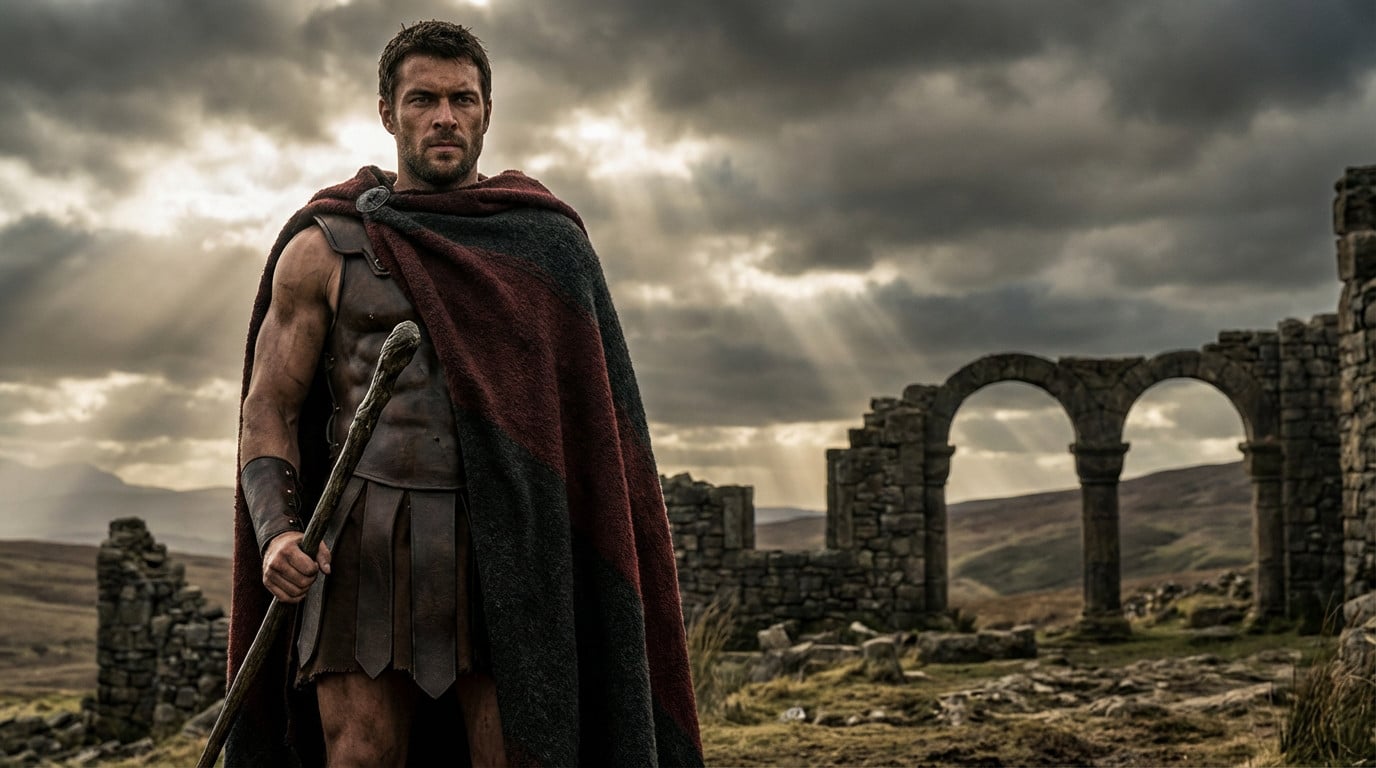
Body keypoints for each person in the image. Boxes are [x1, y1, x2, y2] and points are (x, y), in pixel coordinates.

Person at [226, 21, 703, 767]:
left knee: (520, 750)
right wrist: (278, 533)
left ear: (486, 111)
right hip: (360, 543)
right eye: (423, 99)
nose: (444, 116)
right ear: (388, 112)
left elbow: (591, 426)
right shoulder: (324, 245)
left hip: (509, 538)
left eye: (462, 99)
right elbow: (269, 410)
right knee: (356, 757)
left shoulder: (544, 245)